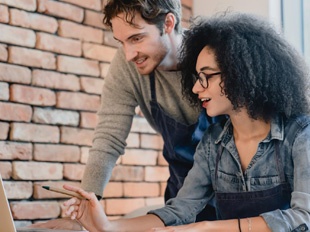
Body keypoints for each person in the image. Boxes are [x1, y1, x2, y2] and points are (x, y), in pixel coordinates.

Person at [62, 12, 310, 231]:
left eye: (206, 77)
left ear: (241, 75)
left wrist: (208, 227)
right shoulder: (213, 143)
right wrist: (106, 225)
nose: (194, 87)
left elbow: (303, 217)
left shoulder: (299, 137)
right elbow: (179, 211)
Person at [31, 0, 219, 229]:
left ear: (168, 23)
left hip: (237, 194)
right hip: (181, 199)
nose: (129, 54)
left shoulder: (215, 56)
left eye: (136, 38)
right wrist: (82, 213)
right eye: (121, 42)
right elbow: (108, 139)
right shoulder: (128, 65)